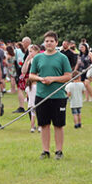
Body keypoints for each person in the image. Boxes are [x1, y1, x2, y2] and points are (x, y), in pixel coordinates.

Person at [29, 31, 72, 160]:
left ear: (56, 43)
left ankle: (59, 151)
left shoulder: (62, 58)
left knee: (58, 125)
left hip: (58, 96)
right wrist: (40, 79)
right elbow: (31, 75)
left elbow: (68, 76)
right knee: (44, 125)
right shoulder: (38, 58)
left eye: (51, 41)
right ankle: (45, 151)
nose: (49, 43)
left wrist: (53, 79)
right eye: (47, 41)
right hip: (42, 96)